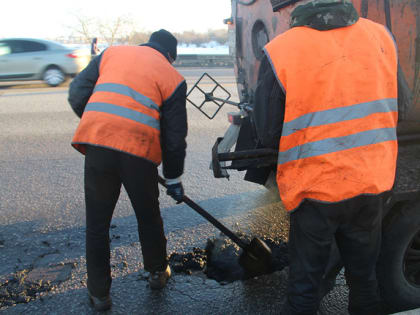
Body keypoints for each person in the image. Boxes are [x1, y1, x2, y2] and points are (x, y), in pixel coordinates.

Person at [253, 0, 401, 314]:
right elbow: (401, 102)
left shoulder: (282, 50)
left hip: (315, 188)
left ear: (290, 9)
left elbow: (267, 132)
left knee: (305, 287)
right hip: (371, 181)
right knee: (364, 281)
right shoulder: (381, 36)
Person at [68, 29, 187, 311]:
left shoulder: (111, 54)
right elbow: (174, 136)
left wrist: (102, 122)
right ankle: (158, 273)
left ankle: (99, 294)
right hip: (139, 149)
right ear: (170, 55)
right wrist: (173, 178)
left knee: (97, 224)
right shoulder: (172, 76)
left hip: (98, 143)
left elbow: (77, 93)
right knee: (148, 216)